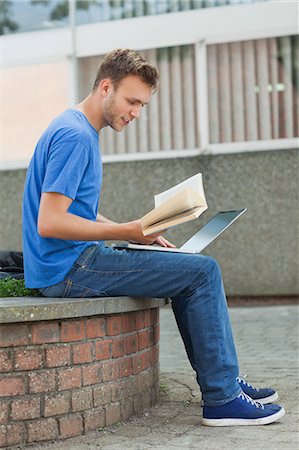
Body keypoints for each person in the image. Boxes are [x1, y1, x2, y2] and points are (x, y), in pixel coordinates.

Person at [22, 48, 285, 426]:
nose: (135, 113)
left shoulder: (73, 127)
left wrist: (137, 234)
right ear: (105, 87)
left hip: (70, 262)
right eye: (132, 101)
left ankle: (224, 381)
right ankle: (222, 397)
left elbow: (72, 208)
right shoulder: (75, 137)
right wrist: (128, 230)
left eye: (142, 105)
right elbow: (49, 222)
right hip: (68, 269)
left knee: (189, 269)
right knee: (202, 272)